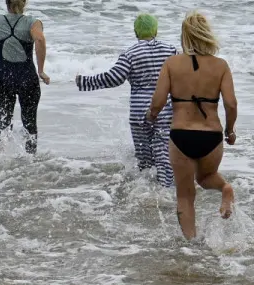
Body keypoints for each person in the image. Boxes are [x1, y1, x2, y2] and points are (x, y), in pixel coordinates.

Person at [147, 13, 239, 238]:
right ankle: (225, 188)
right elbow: (230, 103)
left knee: (185, 196)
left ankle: (191, 244)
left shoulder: (172, 63)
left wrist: (152, 115)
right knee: (207, 177)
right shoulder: (221, 66)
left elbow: (158, 101)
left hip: (181, 135)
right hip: (211, 135)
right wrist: (230, 130)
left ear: (185, 36)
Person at [77, 13, 177, 188]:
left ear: (136, 33)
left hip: (139, 111)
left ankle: (145, 190)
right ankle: (165, 188)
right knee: (163, 152)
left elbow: (114, 78)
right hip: (165, 108)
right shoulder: (170, 50)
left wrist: (86, 82)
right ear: (156, 30)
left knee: (144, 157)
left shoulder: (130, 53)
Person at [0, 0, 48, 154]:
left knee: (3, 123)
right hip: (27, 79)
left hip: (3, 79)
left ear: (6, 2)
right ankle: (30, 161)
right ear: (24, 3)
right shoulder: (33, 22)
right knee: (30, 124)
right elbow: (39, 40)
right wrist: (41, 70)